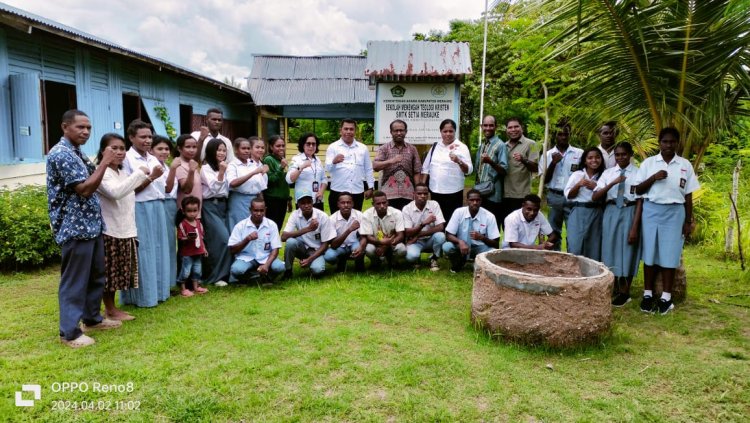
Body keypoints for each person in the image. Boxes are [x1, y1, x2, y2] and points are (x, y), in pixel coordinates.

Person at [47, 110, 122, 348]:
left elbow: (93, 180)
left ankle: (92, 318)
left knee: (96, 275)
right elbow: (85, 189)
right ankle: (69, 332)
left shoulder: (76, 152)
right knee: (75, 280)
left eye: (88, 128)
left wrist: (102, 164)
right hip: (74, 226)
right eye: (80, 127)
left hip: (90, 225)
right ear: (65, 127)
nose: (86, 132)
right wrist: (105, 163)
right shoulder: (61, 154)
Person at [635, 127, 699, 315]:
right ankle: (647, 295)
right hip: (651, 211)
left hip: (675, 212)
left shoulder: (685, 164)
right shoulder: (649, 163)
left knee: (670, 255)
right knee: (650, 253)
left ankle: (666, 297)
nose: (669, 145)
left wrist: (688, 221)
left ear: (677, 143)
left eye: (672, 141)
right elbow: (638, 190)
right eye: (665, 141)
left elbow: (688, 196)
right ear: (659, 142)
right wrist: (654, 178)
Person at [95, 133, 152, 321]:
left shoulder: (121, 172)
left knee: (120, 272)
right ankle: (109, 309)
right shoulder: (100, 172)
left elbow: (129, 191)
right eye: (114, 148)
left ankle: (113, 309)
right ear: (103, 151)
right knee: (109, 273)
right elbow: (116, 192)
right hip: (109, 229)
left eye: (121, 148)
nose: (119, 152)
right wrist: (140, 173)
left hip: (125, 228)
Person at [121, 120, 171, 308]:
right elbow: (128, 189)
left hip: (158, 206)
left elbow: (164, 187)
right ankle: (142, 297)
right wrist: (151, 178)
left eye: (150, 136)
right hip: (140, 207)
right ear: (132, 137)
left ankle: (159, 292)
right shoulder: (127, 159)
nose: (147, 140)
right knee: (143, 252)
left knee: (159, 249)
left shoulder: (152, 158)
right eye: (143, 137)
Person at [593, 142, 642, 307]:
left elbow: (641, 200)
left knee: (628, 249)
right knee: (610, 248)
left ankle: (625, 291)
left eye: (624, 154)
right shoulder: (608, 173)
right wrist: (613, 182)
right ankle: (612, 286)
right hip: (612, 210)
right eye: (618, 155)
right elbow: (596, 195)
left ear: (630, 154)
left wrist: (635, 226)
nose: (621, 157)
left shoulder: (639, 173)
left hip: (630, 210)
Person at [540, 120, 583, 250]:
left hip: (573, 196)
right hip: (555, 196)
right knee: (554, 232)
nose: (563, 137)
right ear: (555, 136)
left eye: (566, 134)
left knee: (573, 232)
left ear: (570, 135)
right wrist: (553, 163)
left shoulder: (579, 153)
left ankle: (572, 259)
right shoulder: (547, 155)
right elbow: (545, 180)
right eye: (560, 134)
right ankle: (555, 259)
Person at [419, 119, 473, 223]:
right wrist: (423, 187)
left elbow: (469, 170)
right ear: (440, 132)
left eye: (451, 131)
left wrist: (458, 161)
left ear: (455, 132)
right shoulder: (435, 146)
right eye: (445, 131)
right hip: (435, 191)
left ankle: (451, 239)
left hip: (453, 192)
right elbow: (426, 168)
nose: (448, 134)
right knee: (437, 221)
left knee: (452, 221)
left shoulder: (462, 147)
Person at [228, 197, 286, 283]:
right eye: (255, 210)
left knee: (279, 267)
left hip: (266, 257)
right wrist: (247, 239)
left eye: (261, 210)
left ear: (265, 210)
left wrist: (266, 265)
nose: (259, 213)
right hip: (247, 258)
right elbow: (232, 250)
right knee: (236, 270)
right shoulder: (240, 226)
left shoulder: (272, 225)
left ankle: (264, 277)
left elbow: (275, 249)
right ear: (250, 210)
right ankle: (254, 278)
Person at [282, 190, 336, 278]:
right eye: (303, 203)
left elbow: (325, 244)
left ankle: (313, 263)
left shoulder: (322, 216)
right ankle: (288, 271)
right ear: (298, 204)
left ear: (312, 202)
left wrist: (309, 259)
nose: (306, 205)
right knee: (290, 242)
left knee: (317, 270)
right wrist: (308, 229)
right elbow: (283, 237)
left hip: (317, 250)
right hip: (303, 248)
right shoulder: (295, 214)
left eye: (309, 202)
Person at [443, 189, 500, 272]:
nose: (475, 203)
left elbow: (496, 244)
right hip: (461, 247)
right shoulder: (458, 212)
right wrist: (460, 242)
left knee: (494, 252)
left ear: (481, 201)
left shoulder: (489, 216)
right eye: (472, 200)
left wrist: (482, 238)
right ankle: (458, 262)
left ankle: (478, 263)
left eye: (477, 200)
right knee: (447, 246)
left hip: (480, 248)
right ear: (467, 201)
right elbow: (448, 234)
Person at [564, 147, 606, 261]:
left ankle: (592, 276)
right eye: (590, 158)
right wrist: (578, 185)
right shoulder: (577, 174)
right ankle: (574, 273)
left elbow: (608, 195)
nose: (594, 160)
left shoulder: (604, 175)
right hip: (579, 211)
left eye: (597, 157)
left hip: (596, 212)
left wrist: (595, 187)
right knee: (575, 245)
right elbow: (568, 195)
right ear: (584, 161)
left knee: (594, 246)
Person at [200, 138, 232, 286]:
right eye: (218, 150)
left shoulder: (226, 166)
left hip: (224, 205)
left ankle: (225, 274)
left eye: (224, 150)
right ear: (211, 151)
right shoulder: (206, 168)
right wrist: (221, 172)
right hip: (210, 205)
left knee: (226, 240)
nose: (221, 153)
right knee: (221, 240)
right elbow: (215, 188)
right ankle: (216, 277)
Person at [373, 119, 422, 210]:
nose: (399, 133)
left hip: (408, 194)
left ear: (406, 132)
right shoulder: (384, 148)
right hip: (388, 194)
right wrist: (391, 161)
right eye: (396, 131)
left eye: (401, 130)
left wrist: (417, 191)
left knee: (406, 221)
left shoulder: (412, 149)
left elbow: (417, 171)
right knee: (390, 221)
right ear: (391, 132)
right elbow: (375, 166)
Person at [325, 119, 374, 211]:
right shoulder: (333, 147)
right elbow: (327, 169)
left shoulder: (363, 148)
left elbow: (368, 169)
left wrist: (370, 187)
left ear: (355, 131)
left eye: (351, 129)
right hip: (337, 191)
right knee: (336, 221)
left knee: (355, 221)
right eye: (346, 129)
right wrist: (333, 162)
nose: (348, 131)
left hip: (357, 191)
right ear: (341, 131)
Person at [151, 135, 180, 290]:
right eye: (159, 148)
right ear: (151, 150)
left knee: (169, 243)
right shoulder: (155, 167)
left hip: (171, 205)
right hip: (161, 203)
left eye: (167, 149)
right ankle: (160, 282)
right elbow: (167, 188)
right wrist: (174, 169)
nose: (164, 152)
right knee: (160, 243)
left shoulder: (166, 166)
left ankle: (169, 282)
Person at [500, 117, 539, 228]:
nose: (513, 130)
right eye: (510, 127)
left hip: (521, 196)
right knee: (506, 226)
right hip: (504, 195)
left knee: (521, 228)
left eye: (516, 126)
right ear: (506, 130)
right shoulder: (503, 146)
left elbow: (535, 168)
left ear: (522, 128)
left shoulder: (531, 144)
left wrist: (524, 160)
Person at [402, 183, 446, 271]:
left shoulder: (434, 205)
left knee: (441, 236)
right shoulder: (407, 209)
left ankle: (434, 258)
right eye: (419, 193)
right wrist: (423, 223)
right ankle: (416, 259)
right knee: (411, 257)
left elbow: (440, 227)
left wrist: (418, 235)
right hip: (415, 242)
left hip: (429, 239)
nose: (423, 196)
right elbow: (407, 232)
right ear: (413, 194)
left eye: (425, 194)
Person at [227, 137, 268, 230]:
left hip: (255, 199)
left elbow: (259, 187)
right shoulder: (233, 165)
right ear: (236, 150)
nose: (246, 151)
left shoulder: (253, 163)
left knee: (255, 227)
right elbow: (233, 183)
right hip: (239, 199)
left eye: (248, 148)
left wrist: (262, 203)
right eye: (243, 148)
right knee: (240, 227)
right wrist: (252, 173)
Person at [360, 191, 407, 269]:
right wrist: (381, 242)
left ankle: (393, 262)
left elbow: (401, 235)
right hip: (376, 243)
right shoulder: (366, 215)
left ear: (387, 202)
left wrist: (386, 245)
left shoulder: (397, 213)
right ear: (373, 204)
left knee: (401, 249)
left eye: (384, 202)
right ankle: (376, 262)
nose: (382, 206)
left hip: (393, 242)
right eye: (378, 204)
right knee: (369, 249)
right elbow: (368, 236)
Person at [474, 115, 508, 218]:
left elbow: (504, 170)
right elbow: (478, 170)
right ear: (481, 126)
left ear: (496, 127)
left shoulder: (501, 145)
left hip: (493, 195)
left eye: (491, 125)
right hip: (481, 193)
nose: (488, 128)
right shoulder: (483, 145)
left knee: (493, 226)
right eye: (485, 125)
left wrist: (490, 162)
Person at [323, 192, 367, 272]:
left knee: (360, 247)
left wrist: (361, 247)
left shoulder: (359, 215)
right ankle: (341, 261)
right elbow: (333, 245)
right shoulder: (332, 219)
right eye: (343, 203)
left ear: (352, 204)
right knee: (329, 256)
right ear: (338, 204)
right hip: (339, 247)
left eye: (348, 202)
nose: (346, 205)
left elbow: (364, 236)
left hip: (354, 243)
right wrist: (349, 229)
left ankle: (359, 265)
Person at [176, 196, 209, 297]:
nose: (192, 213)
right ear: (183, 211)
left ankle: (196, 287)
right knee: (185, 271)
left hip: (198, 252)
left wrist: (204, 249)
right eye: (189, 211)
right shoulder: (183, 224)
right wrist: (188, 238)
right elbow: (180, 238)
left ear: (198, 210)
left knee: (197, 270)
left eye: (195, 211)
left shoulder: (199, 223)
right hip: (187, 253)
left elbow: (201, 237)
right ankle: (183, 288)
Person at [287, 133, 326, 211]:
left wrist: (321, 191)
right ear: (303, 145)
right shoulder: (296, 159)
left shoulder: (317, 160)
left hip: (318, 199)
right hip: (303, 200)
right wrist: (301, 167)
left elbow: (324, 179)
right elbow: (289, 179)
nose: (311, 146)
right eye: (308, 144)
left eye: (313, 144)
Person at [263, 135, 291, 231]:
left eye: (283, 145)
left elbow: (284, 182)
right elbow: (270, 180)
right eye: (278, 146)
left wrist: (288, 198)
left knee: (277, 229)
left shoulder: (281, 159)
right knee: (271, 229)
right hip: (272, 201)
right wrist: (281, 168)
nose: (281, 148)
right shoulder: (268, 159)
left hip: (282, 200)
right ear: (271, 147)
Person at [174, 134, 202, 215]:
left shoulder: (191, 163)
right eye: (188, 147)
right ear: (179, 148)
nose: (192, 150)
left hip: (196, 212)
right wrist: (191, 171)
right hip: (186, 213)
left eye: (194, 147)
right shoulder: (179, 165)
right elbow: (186, 189)